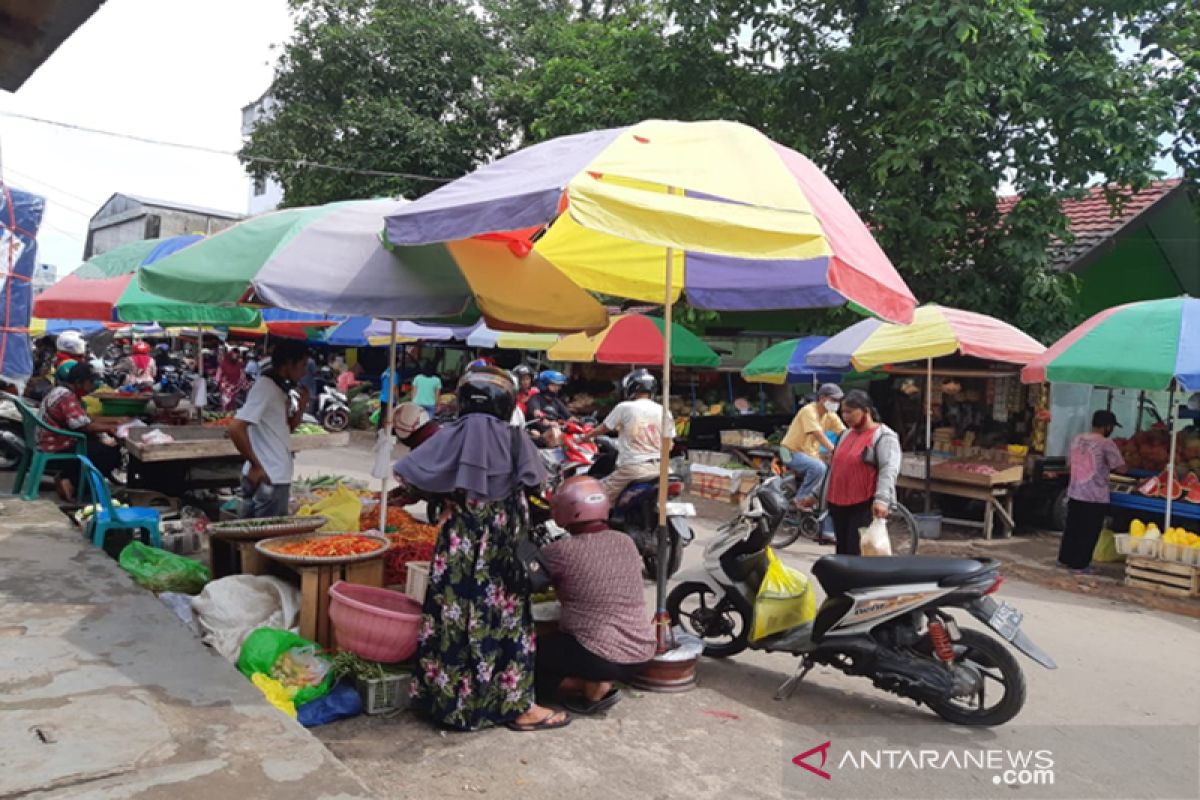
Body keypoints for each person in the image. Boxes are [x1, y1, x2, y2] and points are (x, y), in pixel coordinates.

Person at [393, 366, 567, 732]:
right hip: (503, 553)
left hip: (456, 550)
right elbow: (540, 488)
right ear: (505, 403)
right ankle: (516, 707)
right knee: (506, 623)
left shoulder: (448, 435)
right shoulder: (516, 440)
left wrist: (447, 497)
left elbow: (410, 476)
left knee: (451, 619)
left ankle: (445, 703)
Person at [536, 476, 655, 714]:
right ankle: (597, 681)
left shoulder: (558, 551)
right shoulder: (626, 542)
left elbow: (534, 586)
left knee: (529, 658)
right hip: (642, 652)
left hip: (598, 655)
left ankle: (588, 686)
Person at [228, 340, 309, 519]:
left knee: (253, 537)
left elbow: (287, 428)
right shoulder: (265, 387)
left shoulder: (277, 388)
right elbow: (236, 427)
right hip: (270, 476)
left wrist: (301, 406)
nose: (305, 372)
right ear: (288, 364)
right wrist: (257, 465)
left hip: (273, 474)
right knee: (265, 539)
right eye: (302, 365)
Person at [822, 390, 901, 556]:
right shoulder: (845, 435)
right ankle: (842, 582)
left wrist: (882, 500)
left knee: (857, 551)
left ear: (866, 411)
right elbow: (834, 468)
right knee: (842, 551)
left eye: (850, 412)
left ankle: (857, 582)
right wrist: (815, 494)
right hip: (838, 503)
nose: (845, 416)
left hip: (863, 505)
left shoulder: (884, 437)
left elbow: (888, 470)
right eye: (843, 412)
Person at [38, 362, 125, 500]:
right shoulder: (66, 397)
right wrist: (109, 428)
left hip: (52, 440)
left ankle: (69, 478)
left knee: (97, 444)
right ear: (79, 383)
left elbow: (84, 418)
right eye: (90, 382)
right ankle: (73, 484)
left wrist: (113, 422)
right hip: (56, 445)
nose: (92, 386)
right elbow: (81, 425)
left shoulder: (60, 391)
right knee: (110, 455)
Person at [586, 369, 673, 503]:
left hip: (633, 468)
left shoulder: (625, 407)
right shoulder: (664, 411)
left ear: (630, 388)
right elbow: (670, 444)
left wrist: (584, 437)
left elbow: (603, 428)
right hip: (663, 468)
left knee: (597, 499)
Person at [1059, 410, 1126, 574]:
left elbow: (1069, 464)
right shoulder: (1106, 443)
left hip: (1075, 492)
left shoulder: (1077, 439)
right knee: (1088, 532)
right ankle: (1080, 565)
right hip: (1095, 496)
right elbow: (1121, 468)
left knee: (1072, 528)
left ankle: (1065, 559)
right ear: (1107, 427)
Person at [780, 383, 846, 508]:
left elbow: (844, 433)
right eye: (834, 400)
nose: (837, 403)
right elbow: (818, 434)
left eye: (838, 400)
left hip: (809, 453)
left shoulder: (830, 415)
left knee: (832, 469)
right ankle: (800, 500)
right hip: (789, 452)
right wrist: (834, 450)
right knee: (819, 468)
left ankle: (816, 499)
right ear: (822, 398)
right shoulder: (808, 411)